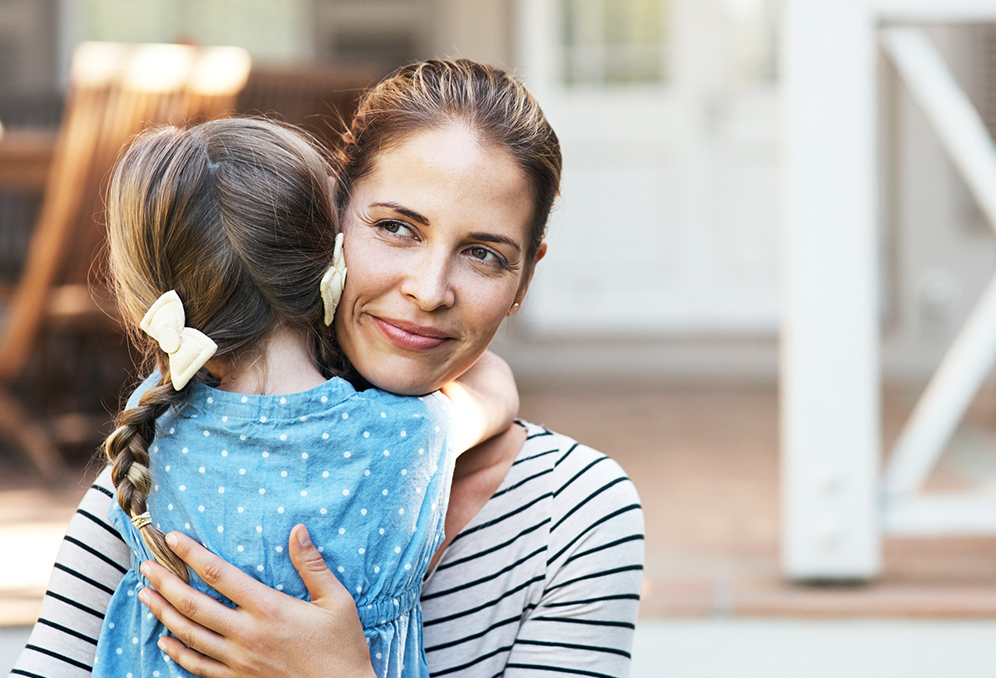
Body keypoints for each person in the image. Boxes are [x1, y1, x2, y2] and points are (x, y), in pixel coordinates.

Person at [9, 59, 644, 678]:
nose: (429, 290)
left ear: (524, 278)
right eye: (397, 228)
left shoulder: (576, 514)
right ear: (327, 221)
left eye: (483, 254)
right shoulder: (153, 462)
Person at [86, 116, 515, 678]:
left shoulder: (149, 427)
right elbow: (491, 391)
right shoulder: (407, 432)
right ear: (332, 256)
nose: (428, 292)